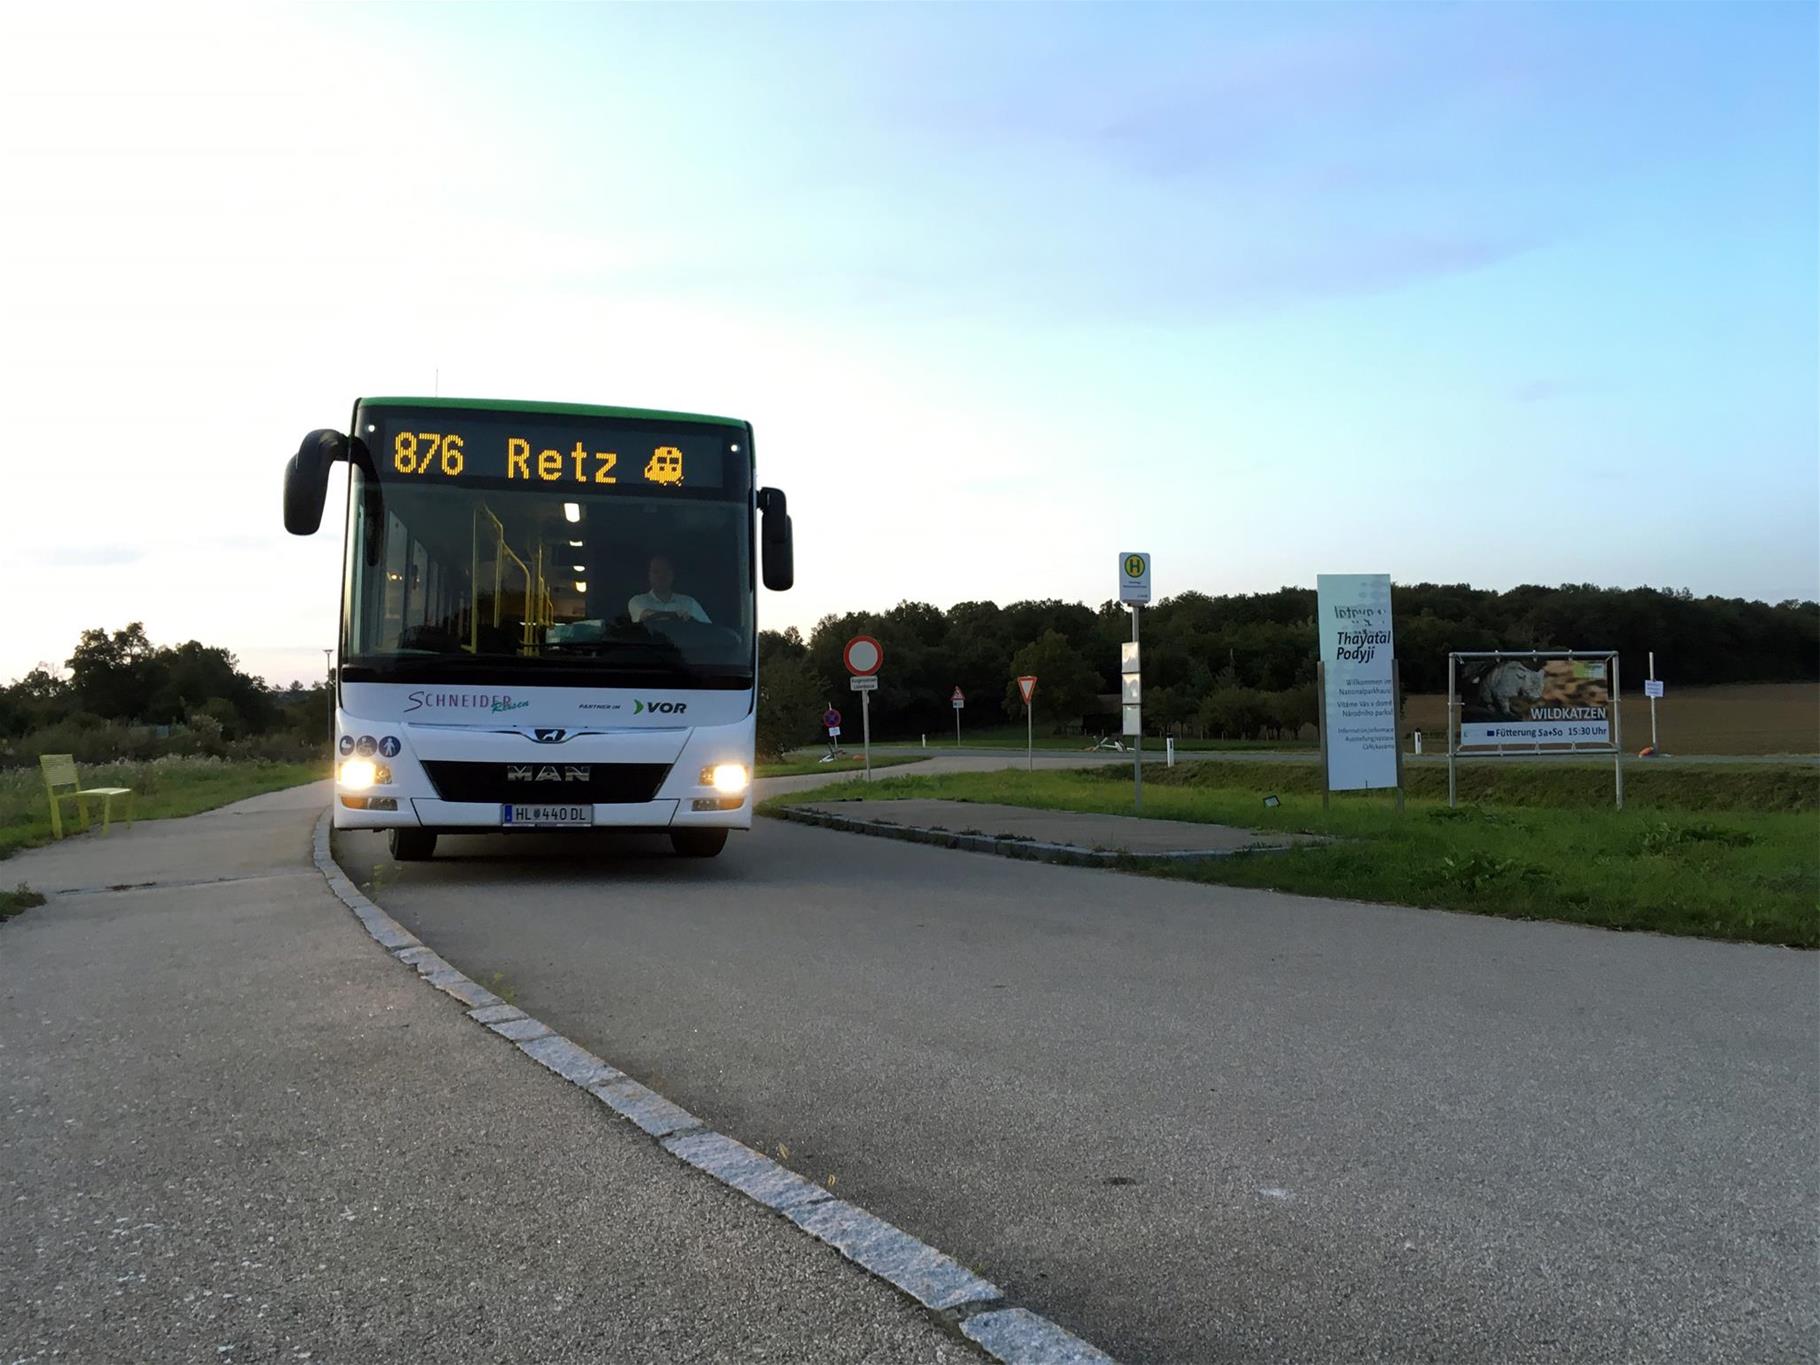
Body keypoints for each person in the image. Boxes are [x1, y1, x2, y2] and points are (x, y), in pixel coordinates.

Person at [627, 554, 710, 624]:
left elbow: (709, 630)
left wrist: (691, 620)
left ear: (673, 575)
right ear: (649, 576)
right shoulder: (637, 601)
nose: (661, 576)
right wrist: (678, 615)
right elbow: (645, 615)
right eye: (656, 572)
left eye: (666, 571)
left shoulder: (689, 603)